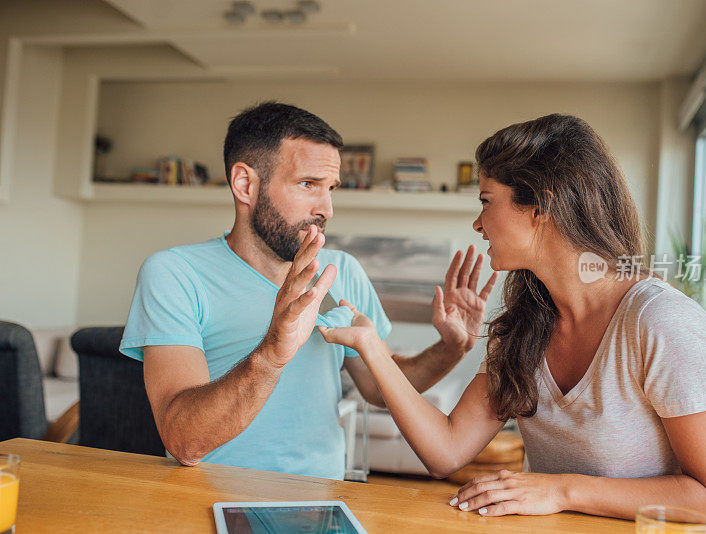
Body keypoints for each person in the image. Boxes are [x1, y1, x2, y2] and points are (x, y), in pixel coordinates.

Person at [318, 114, 706, 526]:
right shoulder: (525, 328)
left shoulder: (661, 321)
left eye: (486, 201)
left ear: (540, 205)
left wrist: (560, 490)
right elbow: (444, 452)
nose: (478, 223)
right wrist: (372, 347)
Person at [119, 101, 497, 480]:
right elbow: (184, 441)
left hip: (321, 503)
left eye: (330, 187)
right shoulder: (174, 274)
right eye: (308, 184)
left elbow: (380, 388)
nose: (327, 207)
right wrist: (271, 354)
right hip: (207, 502)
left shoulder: (341, 271)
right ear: (245, 184)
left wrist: (450, 349)